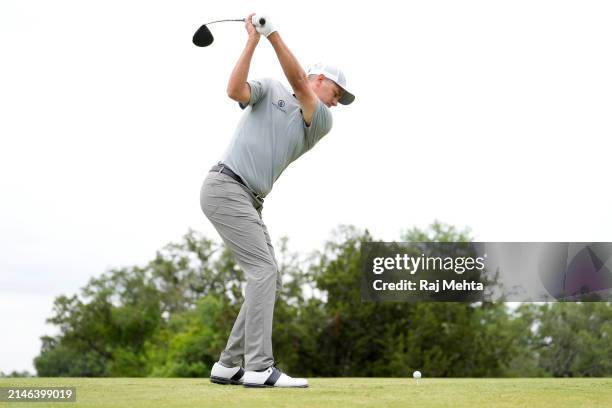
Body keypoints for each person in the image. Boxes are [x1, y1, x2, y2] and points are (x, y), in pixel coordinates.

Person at [200, 13, 355, 388]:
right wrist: (254, 40)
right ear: (323, 80)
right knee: (264, 273)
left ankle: (228, 364)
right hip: (225, 186)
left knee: (268, 278)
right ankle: (258, 367)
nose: (336, 104)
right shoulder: (270, 88)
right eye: (336, 94)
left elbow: (298, 82)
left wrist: (272, 34)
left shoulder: (319, 119)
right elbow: (234, 91)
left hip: (248, 199)